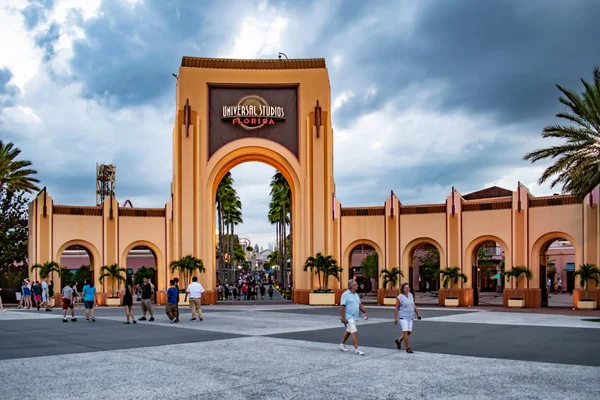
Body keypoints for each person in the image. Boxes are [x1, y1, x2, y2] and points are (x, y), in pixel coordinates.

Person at [339, 279, 368, 355]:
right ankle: (356, 349)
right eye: (356, 285)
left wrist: (365, 312)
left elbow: (359, 305)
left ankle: (341, 344)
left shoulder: (356, 295)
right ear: (352, 286)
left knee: (349, 331)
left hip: (355, 316)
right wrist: (343, 317)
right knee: (354, 330)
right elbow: (342, 306)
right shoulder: (345, 294)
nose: (357, 286)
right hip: (348, 316)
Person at [394, 282, 421, 354]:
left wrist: (418, 313)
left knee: (409, 332)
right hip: (403, 316)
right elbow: (396, 308)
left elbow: (413, 305)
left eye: (408, 287)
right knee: (405, 332)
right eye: (405, 287)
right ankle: (408, 348)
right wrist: (396, 318)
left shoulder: (410, 295)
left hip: (410, 316)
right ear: (402, 289)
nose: (407, 289)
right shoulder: (399, 297)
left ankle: (399, 340)